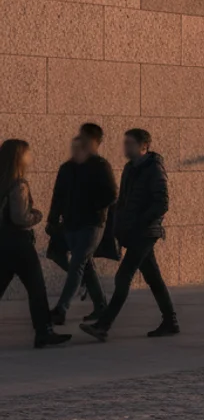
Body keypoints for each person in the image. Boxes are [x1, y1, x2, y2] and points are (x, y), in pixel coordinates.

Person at [81, 129, 178, 342]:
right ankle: (170, 321)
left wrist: (140, 222)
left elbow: (162, 203)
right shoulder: (129, 168)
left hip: (145, 232)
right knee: (153, 278)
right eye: (125, 142)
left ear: (144, 146)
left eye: (130, 143)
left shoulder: (154, 168)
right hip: (133, 232)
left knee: (123, 277)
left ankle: (103, 325)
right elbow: (123, 200)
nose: (126, 147)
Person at [0, 139, 72, 348]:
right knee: (36, 287)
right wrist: (37, 215)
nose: (30, 157)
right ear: (18, 157)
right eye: (27, 153)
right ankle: (44, 331)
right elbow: (20, 218)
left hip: (3, 242)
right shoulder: (18, 184)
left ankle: (44, 331)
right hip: (19, 243)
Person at [47, 133, 117, 326]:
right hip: (70, 224)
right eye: (74, 147)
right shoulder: (66, 168)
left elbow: (112, 194)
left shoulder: (99, 166)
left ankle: (61, 309)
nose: (76, 151)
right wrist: (52, 219)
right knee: (85, 266)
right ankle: (101, 306)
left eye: (80, 148)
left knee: (78, 264)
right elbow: (58, 195)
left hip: (92, 225)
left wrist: (93, 207)